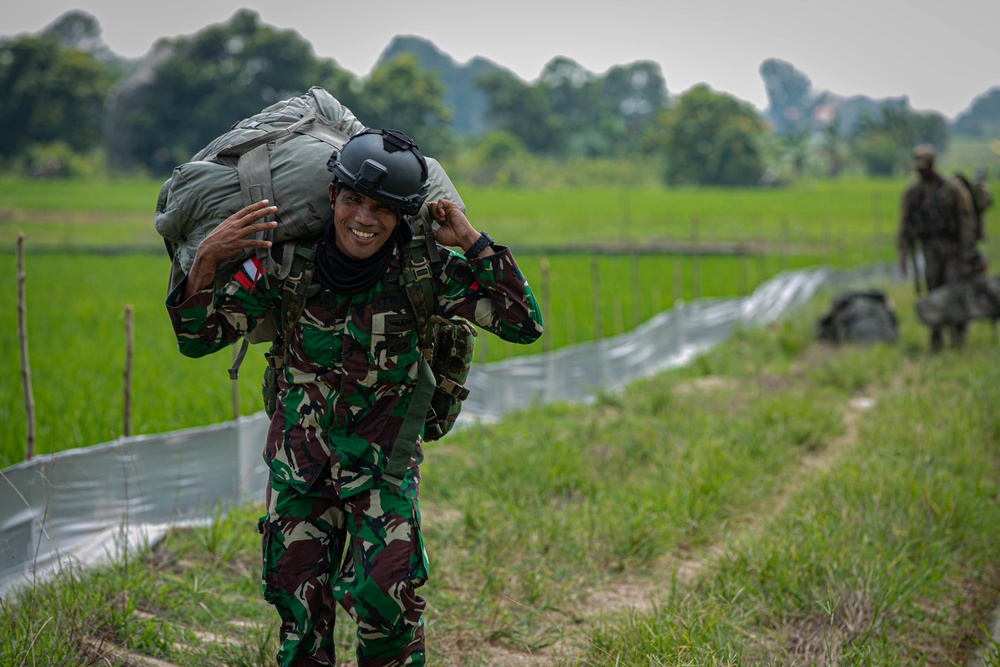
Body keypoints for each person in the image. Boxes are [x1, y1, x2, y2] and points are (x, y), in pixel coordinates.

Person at [166, 128, 544, 666]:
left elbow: (524, 324)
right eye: (354, 201)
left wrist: (473, 243)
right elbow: (198, 338)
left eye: (382, 209)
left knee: (387, 609)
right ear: (332, 199)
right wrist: (207, 258)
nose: (365, 219)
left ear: (401, 217)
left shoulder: (425, 272)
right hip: (300, 472)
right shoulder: (282, 265)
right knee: (301, 629)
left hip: (381, 472)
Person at [897, 143, 978, 350]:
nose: (921, 171)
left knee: (953, 291)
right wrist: (904, 255)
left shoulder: (953, 189)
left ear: (932, 165)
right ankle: (936, 337)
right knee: (933, 292)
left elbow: (966, 220)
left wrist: (967, 253)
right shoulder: (913, 193)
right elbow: (905, 224)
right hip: (929, 248)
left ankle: (958, 337)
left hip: (953, 249)